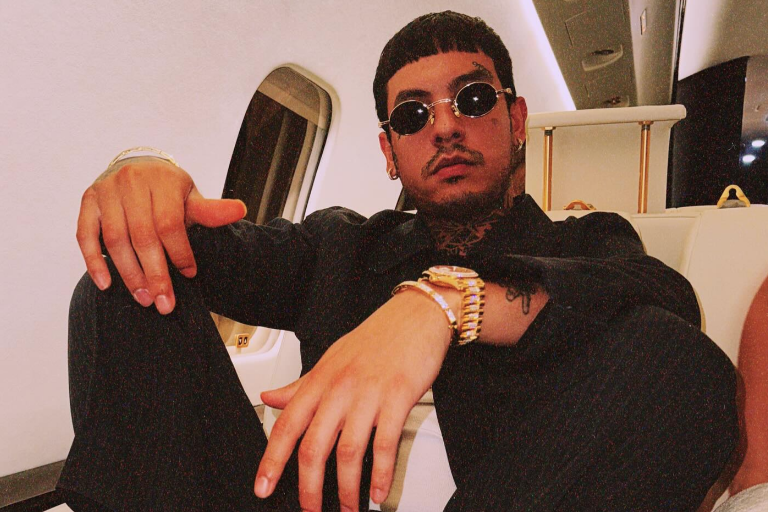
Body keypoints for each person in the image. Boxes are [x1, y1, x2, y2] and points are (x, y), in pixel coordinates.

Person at [57, 11, 739, 512]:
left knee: (679, 359)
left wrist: (445, 306)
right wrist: (140, 171)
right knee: (127, 278)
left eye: (472, 99)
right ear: (389, 152)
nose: (444, 126)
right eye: (412, 115)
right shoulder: (339, 248)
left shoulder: (584, 243)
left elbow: (664, 300)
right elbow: (191, 254)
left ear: (515, 120)